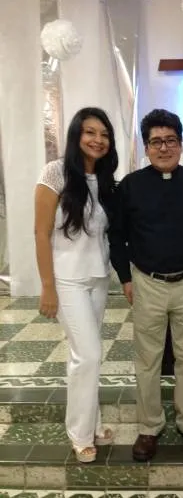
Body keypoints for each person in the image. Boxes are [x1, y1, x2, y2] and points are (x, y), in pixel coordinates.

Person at [109, 108, 183, 462]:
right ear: (146, 147)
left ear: (181, 144)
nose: (164, 147)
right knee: (148, 358)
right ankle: (149, 426)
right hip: (147, 283)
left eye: (171, 140)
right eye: (156, 141)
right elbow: (117, 237)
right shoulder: (131, 186)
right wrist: (126, 278)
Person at [34, 107, 118, 463]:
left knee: (83, 356)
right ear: (75, 135)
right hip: (66, 279)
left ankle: (93, 421)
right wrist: (47, 286)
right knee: (89, 355)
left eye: (103, 134)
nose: (97, 140)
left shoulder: (106, 178)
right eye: (90, 132)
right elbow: (40, 232)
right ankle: (80, 433)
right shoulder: (55, 173)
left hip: (97, 277)